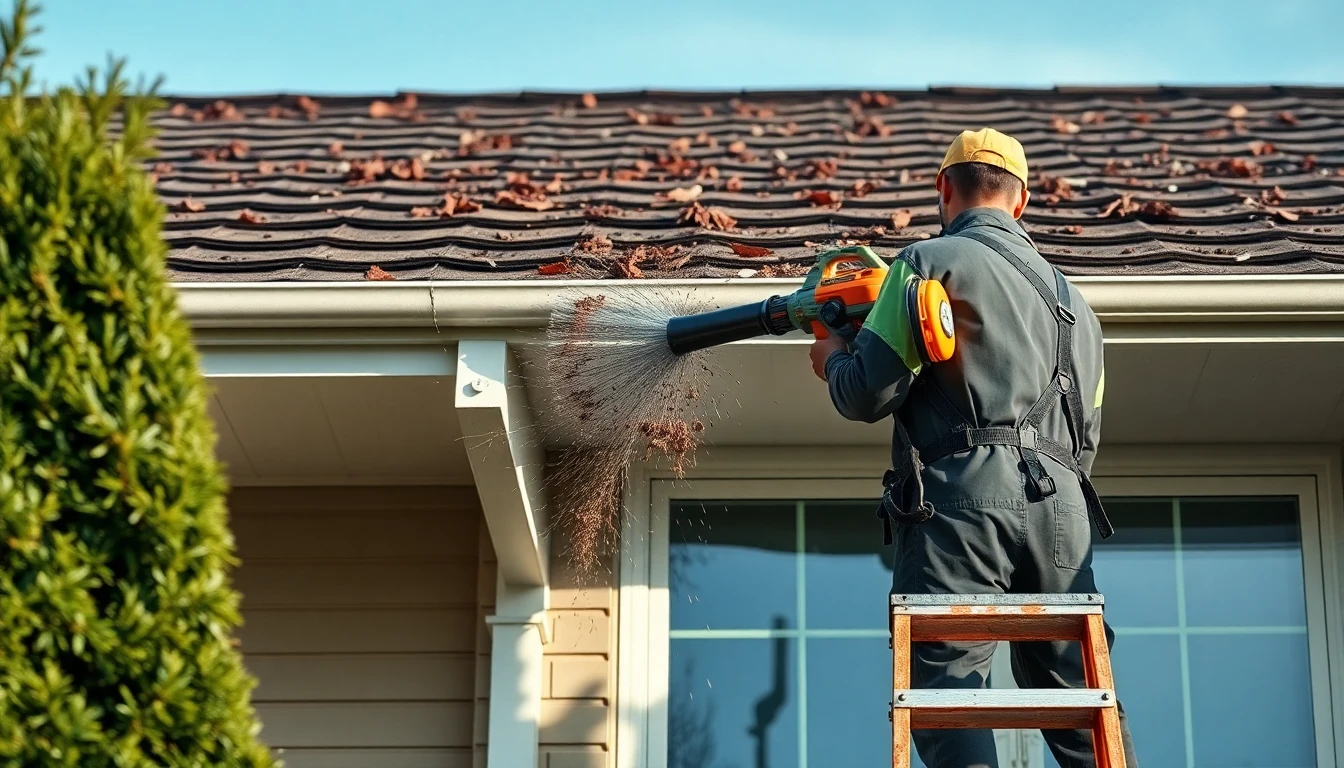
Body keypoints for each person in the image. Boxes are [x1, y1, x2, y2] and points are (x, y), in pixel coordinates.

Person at [810, 128, 1139, 767]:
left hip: (960, 499)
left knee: (946, 686)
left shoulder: (926, 266)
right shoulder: (1081, 309)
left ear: (943, 190)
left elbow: (867, 395)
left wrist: (831, 358)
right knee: (1079, 697)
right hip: (1064, 506)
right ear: (1020, 204)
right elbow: (1087, 438)